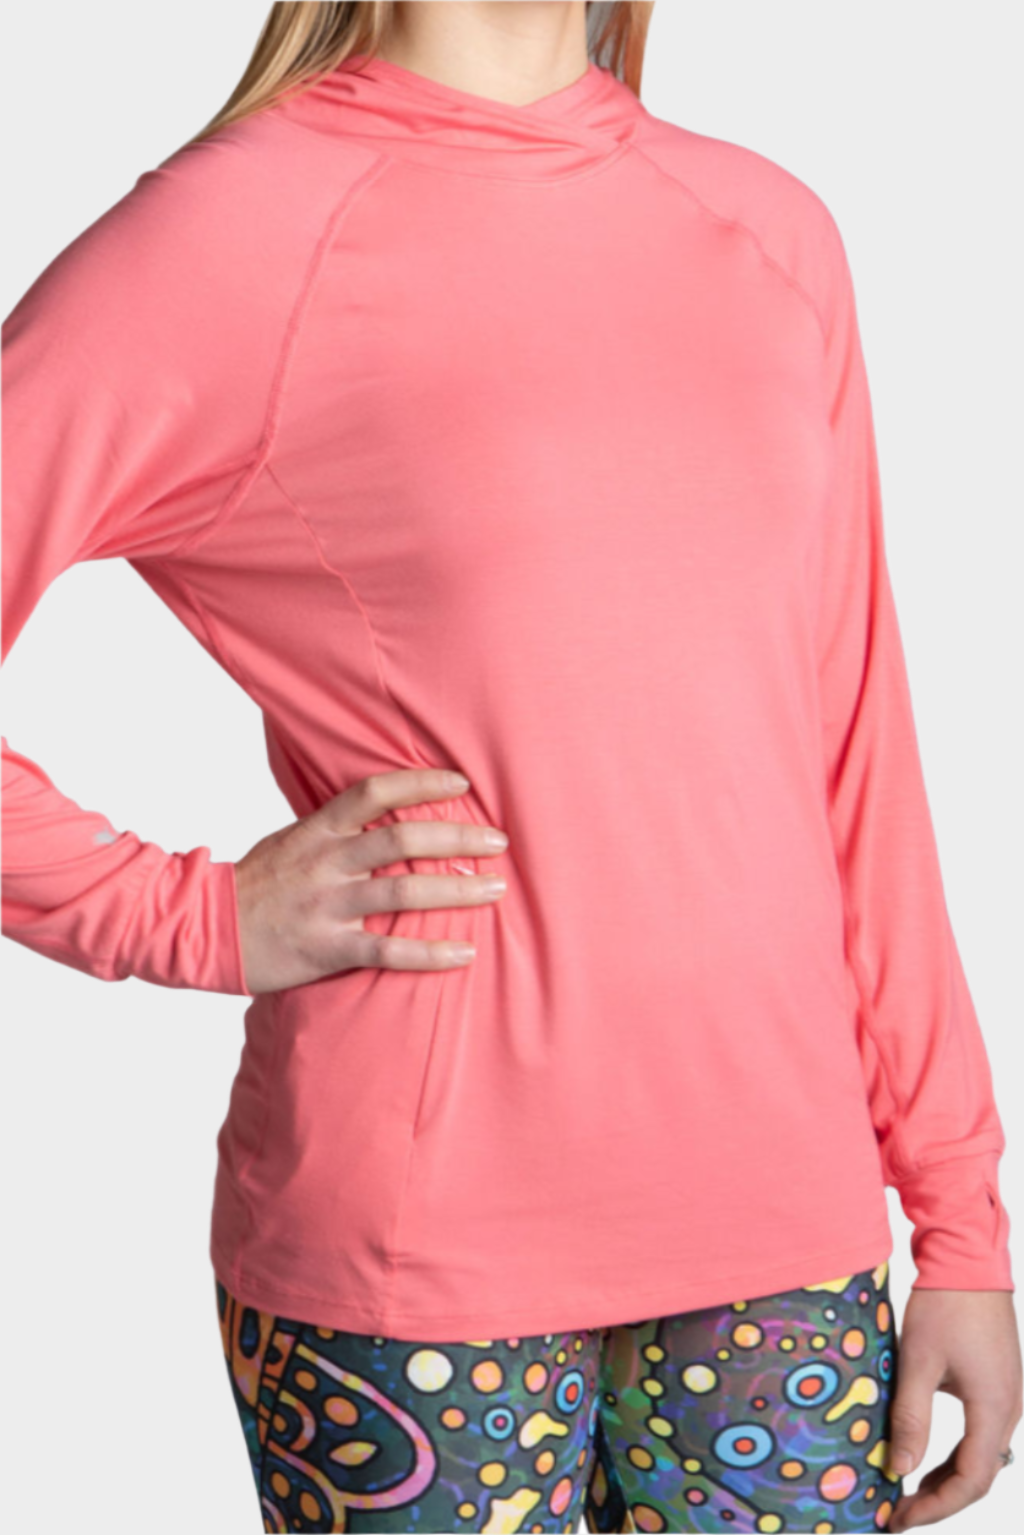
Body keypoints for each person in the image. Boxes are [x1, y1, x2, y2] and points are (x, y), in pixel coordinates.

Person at [2, 1, 1020, 1530]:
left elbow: (856, 746)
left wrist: (958, 1214)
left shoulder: (766, 229)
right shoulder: (232, 236)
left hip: (782, 1229)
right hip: (419, 1255)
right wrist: (194, 916)